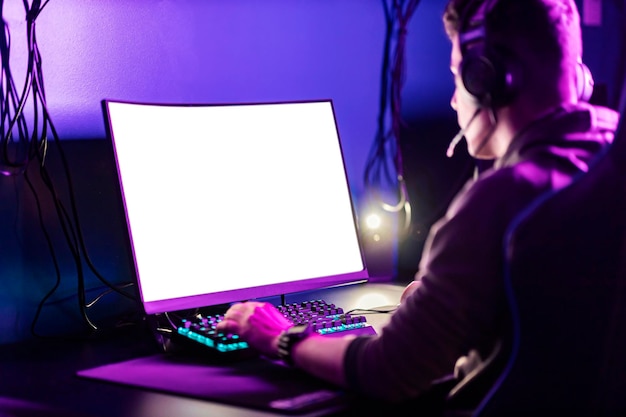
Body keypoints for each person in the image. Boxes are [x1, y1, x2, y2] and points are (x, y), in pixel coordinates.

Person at [216, 0, 620, 408]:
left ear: (485, 78)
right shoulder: (608, 159)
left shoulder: (500, 202)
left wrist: (281, 336)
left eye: (456, 77)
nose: (453, 101)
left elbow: (385, 370)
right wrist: (444, 310)